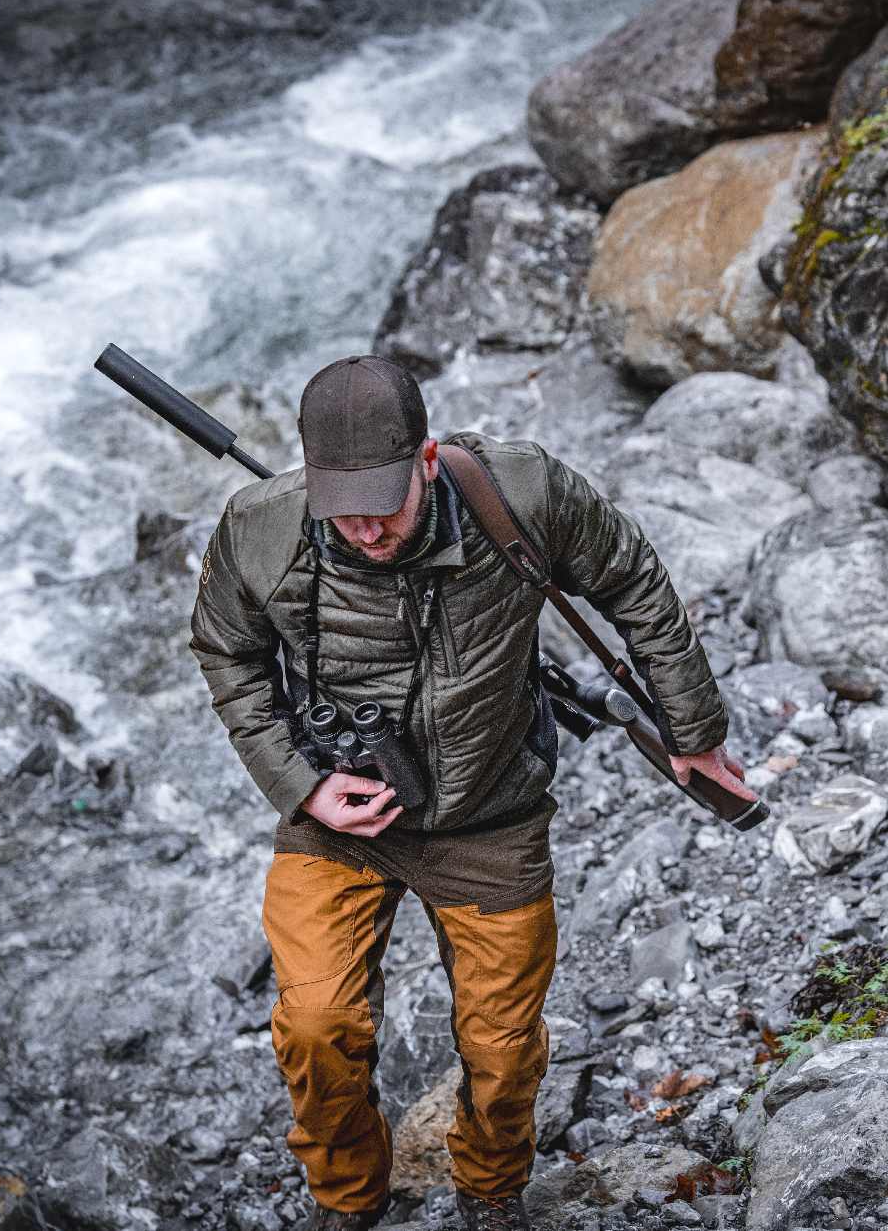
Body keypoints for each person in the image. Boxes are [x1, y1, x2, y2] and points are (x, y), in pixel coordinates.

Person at [189, 355, 754, 1231]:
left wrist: (695, 731)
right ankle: (349, 1202)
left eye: (385, 507)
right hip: (341, 820)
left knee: (501, 1049)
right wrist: (302, 785)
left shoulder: (521, 492)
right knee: (313, 1023)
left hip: (493, 816)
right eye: (345, 513)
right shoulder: (262, 528)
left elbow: (633, 580)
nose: (367, 532)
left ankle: (491, 1192)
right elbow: (227, 650)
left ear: (424, 459)